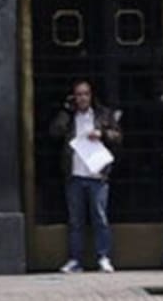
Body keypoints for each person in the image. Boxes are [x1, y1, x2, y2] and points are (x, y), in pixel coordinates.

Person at [48, 78, 123, 274]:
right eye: (78, 94)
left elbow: (118, 136)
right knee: (76, 220)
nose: (82, 98)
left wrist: (103, 134)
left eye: (85, 94)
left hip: (97, 175)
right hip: (75, 174)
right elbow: (54, 132)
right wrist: (65, 112)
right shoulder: (70, 117)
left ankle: (103, 257)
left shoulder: (102, 115)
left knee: (100, 217)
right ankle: (75, 260)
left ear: (91, 96)